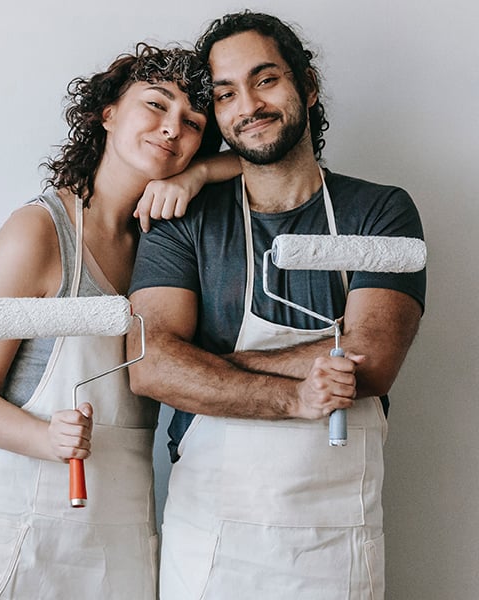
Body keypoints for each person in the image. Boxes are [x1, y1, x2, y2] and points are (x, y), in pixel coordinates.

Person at [0, 42, 236, 600]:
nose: (172, 129)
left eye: (193, 122)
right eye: (155, 105)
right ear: (107, 113)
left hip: (117, 526)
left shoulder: (172, 244)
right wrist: (45, 437)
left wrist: (196, 177)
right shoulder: (38, 232)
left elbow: (268, 159)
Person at [127, 11, 426, 600]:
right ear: (215, 114)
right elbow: (150, 365)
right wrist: (302, 388)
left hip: (335, 543)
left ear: (307, 86)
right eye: (226, 93)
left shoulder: (381, 212)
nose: (249, 105)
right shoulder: (181, 220)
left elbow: (371, 360)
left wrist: (209, 363)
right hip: (209, 541)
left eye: (266, 80)